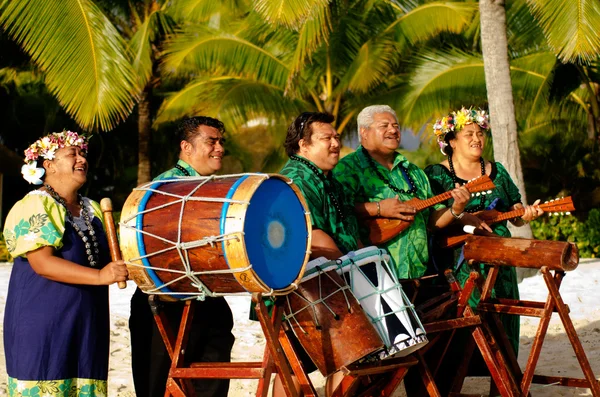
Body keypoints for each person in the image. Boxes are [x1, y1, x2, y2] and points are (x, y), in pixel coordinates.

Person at [3, 130, 128, 396]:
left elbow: (110, 258)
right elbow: (43, 264)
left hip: (87, 324)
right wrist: (100, 277)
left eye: (83, 153)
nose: (81, 158)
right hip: (44, 324)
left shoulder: (93, 208)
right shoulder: (35, 204)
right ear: (48, 164)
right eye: (72, 153)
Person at [129, 117, 235, 397]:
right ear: (186, 147)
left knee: (209, 384)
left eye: (221, 141)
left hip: (206, 299)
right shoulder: (164, 189)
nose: (220, 148)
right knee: (158, 386)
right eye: (211, 141)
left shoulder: (214, 189)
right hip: (163, 301)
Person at [424, 107, 543, 357]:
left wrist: (526, 214)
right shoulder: (436, 174)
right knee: (464, 319)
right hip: (456, 262)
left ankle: (504, 378)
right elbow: (432, 220)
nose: (476, 139)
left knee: (503, 314)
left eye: (480, 133)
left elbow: (516, 213)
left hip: (499, 256)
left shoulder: (497, 171)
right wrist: (461, 213)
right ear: (452, 141)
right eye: (468, 133)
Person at [273, 112, 363, 396]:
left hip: (328, 283)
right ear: (304, 145)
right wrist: (355, 271)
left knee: (342, 359)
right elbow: (312, 234)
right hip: (301, 289)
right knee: (294, 366)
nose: (336, 143)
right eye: (327, 138)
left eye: (337, 137)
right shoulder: (296, 177)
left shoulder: (328, 179)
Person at [333, 105, 476, 281]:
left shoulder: (414, 172)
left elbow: (431, 221)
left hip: (419, 274)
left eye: (396, 126)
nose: (393, 130)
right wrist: (378, 208)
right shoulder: (347, 169)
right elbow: (336, 210)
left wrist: (456, 208)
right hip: (373, 275)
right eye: (384, 126)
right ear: (364, 132)